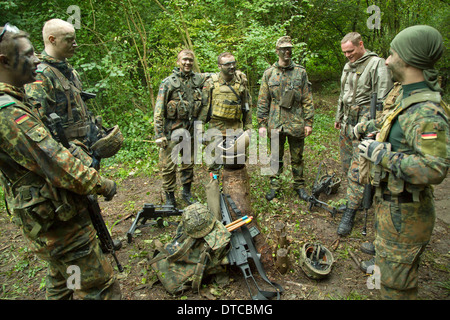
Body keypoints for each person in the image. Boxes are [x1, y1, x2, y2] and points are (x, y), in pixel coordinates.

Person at [0, 24, 121, 299]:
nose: (36, 60)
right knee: (99, 287)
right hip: (57, 218)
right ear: (4, 61)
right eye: (29, 55)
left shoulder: (17, 100)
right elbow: (56, 164)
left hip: (50, 216)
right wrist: (101, 183)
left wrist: (80, 146)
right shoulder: (9, 112)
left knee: (62, 279)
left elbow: (51, 143)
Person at [358, 25, 448, 299]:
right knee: (390, 280)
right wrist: (367, 127)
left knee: (397, 291)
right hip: (393, 210)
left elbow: (434, 168)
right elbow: (395, 123)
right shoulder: (409, 97)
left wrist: (379, 153)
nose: (386, 60)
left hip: (406, 216)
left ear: (408, 59)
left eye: (392, 54)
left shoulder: (427, 112)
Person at [24, 19, 122, 169]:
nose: (75, 44)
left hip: (85, 149)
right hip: (66, 157)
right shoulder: (40, 76)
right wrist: (72, 154)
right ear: (52, 40)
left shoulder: (70, 72)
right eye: (69, 40)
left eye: (74, 39)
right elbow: (39, 128)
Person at [334, 32, 392, 236]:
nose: (347, 55)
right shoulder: (348, 66)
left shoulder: (377, 64)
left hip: (365, 125)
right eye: (344, 52)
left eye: (350, 51)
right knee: (347, 164)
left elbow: (385, 101)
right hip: (347, 124)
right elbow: (343, 95)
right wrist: (338, 116)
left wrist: (376, 129)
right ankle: (354, 201)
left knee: (358, 171)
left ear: (361, 45)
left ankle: (350, 212)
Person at [257, 36, 314, 201]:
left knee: (297, 157)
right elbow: (263, 100)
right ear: (277, 51)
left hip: (296, 121)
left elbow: (307, 99)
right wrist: (262, 123)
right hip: (275, 122)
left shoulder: (300, 72)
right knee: (275, 156)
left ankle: (299, 185)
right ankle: (275, 186)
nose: (287, 51)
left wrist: (308, 122)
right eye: (283, 49)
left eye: (289, 49)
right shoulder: (269, 74)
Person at [154, 49, 207, 206]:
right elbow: (158, 110)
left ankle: (186, 192)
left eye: (190, 60)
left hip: (190, 132)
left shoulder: (197, 80)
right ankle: (170, 197)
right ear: (178, 62)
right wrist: (159, 134)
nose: (187, 63)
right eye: (184, 60)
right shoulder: (168, 83)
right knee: (168, 166)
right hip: (172, 132)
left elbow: (215, 75)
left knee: (188, 163)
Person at [199, 52, 252, 173]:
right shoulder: (211, 83)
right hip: (215, 130)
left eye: (233, 63)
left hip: (236, 130)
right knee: (213, 166)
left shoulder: (241, 83)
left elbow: (247, 107)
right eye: (227, 64)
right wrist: (200, 131)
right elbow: (204, 109)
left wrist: (248, 127)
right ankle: (215, 190)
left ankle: (235, 191)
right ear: (219, 66)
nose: (232, 67)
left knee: (237, 164)